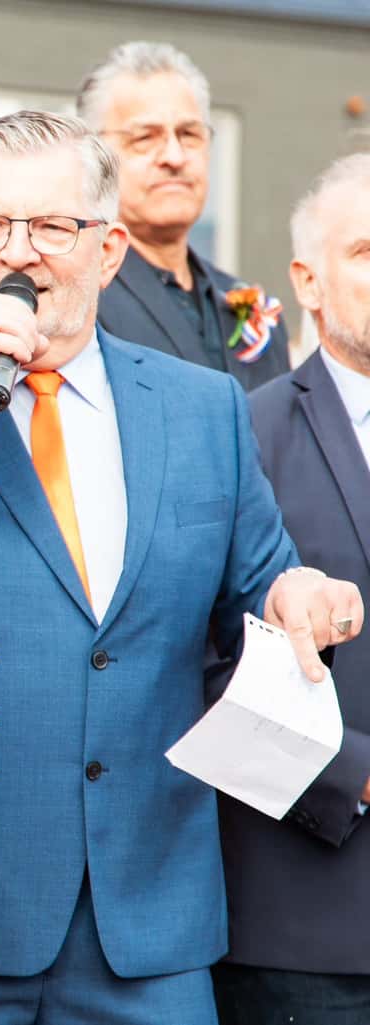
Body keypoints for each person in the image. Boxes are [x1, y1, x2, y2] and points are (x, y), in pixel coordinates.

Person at [0, 110, 362, 1024]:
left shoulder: (202, 407)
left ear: (109, 250)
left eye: (53, 226)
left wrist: (299, 593)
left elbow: (260, 586)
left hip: (146, 926)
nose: (18, 252)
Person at [215, 153, 370, 1024]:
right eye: (366, 251)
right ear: (308, 281)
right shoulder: (241, 434)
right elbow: (200, 661)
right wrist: (359, 774)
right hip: (308, 930)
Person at [78, 42, 289, 388]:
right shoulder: (80, 300)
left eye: (189, 134)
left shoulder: (256, 312)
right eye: (145, 138)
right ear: (94, 155)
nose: (174, 157)